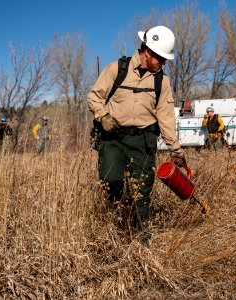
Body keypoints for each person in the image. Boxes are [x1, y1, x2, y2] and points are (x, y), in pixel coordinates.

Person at [87, 25, 185, 243]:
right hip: (113, 138)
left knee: (142, 191)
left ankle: (142, 238)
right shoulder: (116, 69)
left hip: (143, 141)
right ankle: (116, 225)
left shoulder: (162, 81)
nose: (163, 63)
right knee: (110, 180)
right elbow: (94, 97)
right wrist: (103, 116)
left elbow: (166, 117)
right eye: (160, 58)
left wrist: (175, 148)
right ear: (147, 52)